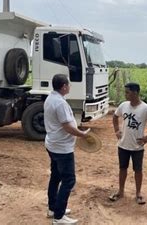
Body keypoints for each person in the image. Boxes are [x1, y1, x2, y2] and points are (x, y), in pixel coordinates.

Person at [44, 74, 91, 225]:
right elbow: (67, 126)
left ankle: (53, 208)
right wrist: (82, 134)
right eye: (68, 84)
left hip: (53, 144)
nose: (70, 87)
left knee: (56, 177)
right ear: (64, 86)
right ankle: (59, 217)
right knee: (69, 180)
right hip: (62, 148)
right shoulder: (59, 103)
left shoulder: (51, 98)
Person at [109, 82, 147, 205]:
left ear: (136, 92)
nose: (125, 94)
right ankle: (120, 191)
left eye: (127, 92)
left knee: (138, 170)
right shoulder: (123, 105)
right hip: (123, 145)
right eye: (125, 92)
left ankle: (138, 194)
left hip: (137, 147)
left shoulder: (146, 108)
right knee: (122, 168)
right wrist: (117, 130)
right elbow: (115, 117)